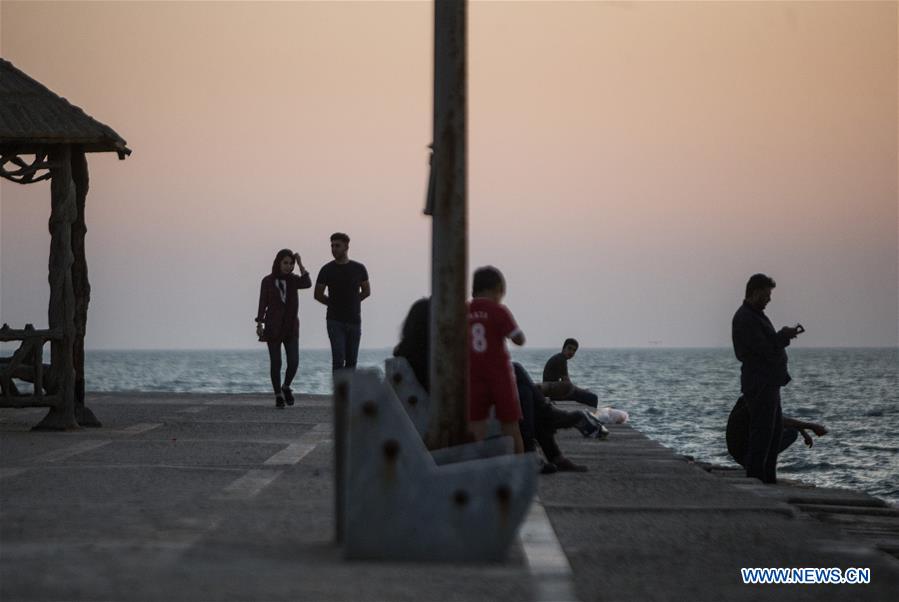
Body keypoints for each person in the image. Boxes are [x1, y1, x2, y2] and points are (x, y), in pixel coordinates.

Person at [731, 273, 803, 484]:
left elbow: (767, 344)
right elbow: (762, 349)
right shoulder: (746, 318)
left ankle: (768, 480)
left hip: (768, 382)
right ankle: (756, 481)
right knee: (762, 435)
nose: (769, 299)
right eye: (766, 294)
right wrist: (783, 336)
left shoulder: (755, 315)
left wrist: (782, 336)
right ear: (754, 292)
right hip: (760, 383)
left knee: (772, 435)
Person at [468, 266, 525, 454]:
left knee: (476, 426)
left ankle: (473, 467)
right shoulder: (498, 310)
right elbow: (518, 338)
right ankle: (519, 465)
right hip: (500, 376)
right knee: (510, 425)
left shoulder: (463, 311)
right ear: (497, 289)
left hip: (473, 376)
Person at [255, 249, 311, 409]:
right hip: (273, 326)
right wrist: (259, 323)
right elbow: (262, 302)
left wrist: (300, 264)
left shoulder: (294, 280)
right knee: (276, 362)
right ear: (278, 262)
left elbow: (307, 283)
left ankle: (286, 386)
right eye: (286, 263)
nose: (288, 266)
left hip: (291, 326)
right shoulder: (267, 281)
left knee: (293, 362)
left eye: (291, 263)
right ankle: (278, 395)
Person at [314, 233, 370, 371]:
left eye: (337, 246)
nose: (334, 249)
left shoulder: (359, 268)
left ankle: (349, 392)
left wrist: (353, 301)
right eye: (332, 246)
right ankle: (339, 392)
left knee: (351, 361)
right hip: (335, 320)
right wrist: (333, 303)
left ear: (346, 247)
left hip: (354, 320)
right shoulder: (326, 269)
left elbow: (366, 291)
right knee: (338, 359)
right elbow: (318, 294)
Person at [726, 396, 828, 468]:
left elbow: (778, 419)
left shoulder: (750, 398)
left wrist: (803, 431)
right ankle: (757, 463)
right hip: (744, 453)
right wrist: (811, 426)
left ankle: (758, 461)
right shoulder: (755, 401)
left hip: (741, 450)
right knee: (791, 433)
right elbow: (777, 419)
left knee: (788, 430)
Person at [542, 338, 600, 408]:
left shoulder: (558, 358)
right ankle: (591, 417)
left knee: (586, 392)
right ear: (563, 348)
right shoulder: (561, 360)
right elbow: (567, 383)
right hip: (555, 394)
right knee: (593, 397)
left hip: (554, 392)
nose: (571, 352)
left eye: (574, 350)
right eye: (569, 348)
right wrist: (581, 390)